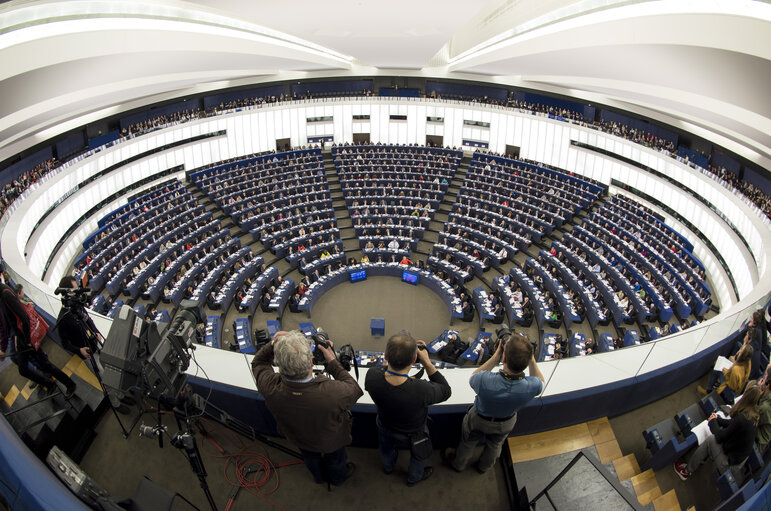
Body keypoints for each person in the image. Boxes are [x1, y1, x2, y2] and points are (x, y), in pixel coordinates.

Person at [252, 331, 363, 486]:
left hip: (299, 438)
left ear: (279, 365)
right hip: (331, 441)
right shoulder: (332, 393)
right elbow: (354, 388)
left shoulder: (270, 387)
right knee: (336, 460)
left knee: (310, 458)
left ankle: (318, 478)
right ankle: (337, 478)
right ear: (311, 362)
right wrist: (332, 361)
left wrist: (273, 343)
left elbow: (259, 363)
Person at [444, 333, 543, 473]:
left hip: (479, 419)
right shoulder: (532, 386)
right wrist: (531, 359)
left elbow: (473, 377)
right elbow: (540, 381)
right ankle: (484, 467)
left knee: (467, 443)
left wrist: (496, 356)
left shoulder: (485, 380)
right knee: (495, 446)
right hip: (506, 422)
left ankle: (458, 465)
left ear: (504, 358)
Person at [365, 331, 451, 486]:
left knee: (386, 449)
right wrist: (426, 361)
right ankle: (414, 478)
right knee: (419, 457)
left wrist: (395, 358)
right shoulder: (422, 390)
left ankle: (387, 467)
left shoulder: (372, 376)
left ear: (385, 356)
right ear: (414, 359)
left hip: (385, 425)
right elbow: (446, 390)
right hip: (414, 432)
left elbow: (383, 371)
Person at [0, 278, 76, 397]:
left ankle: (70, 384)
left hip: (25, 339)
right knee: (24, 369)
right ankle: (50, 384)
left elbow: (24, 317)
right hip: (20, 338)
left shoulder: (5, 294)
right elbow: (9, 321)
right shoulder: (3, 294)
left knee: (44, 364)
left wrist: (26, 340)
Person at [674, 385, 761, 480]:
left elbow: (719, 437)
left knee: (710, 440)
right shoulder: (754, 415)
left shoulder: (742, 418)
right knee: (713, 438)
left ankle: (686, 471)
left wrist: (712, 421)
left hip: (730, 464)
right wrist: (717, 419)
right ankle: (702, 457)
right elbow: (731, 424)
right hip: (735, 457)